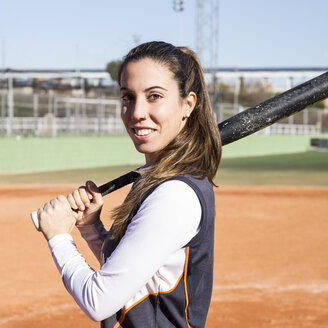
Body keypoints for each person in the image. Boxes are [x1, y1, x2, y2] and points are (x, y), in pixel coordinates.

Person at [35, 41, 222, 327]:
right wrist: (91, 229)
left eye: (154, 96)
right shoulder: (156, 179)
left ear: (188, 105)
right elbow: (131, 277)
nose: (136, 112)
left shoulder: (175, 194)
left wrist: (59, 237)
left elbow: (99, 301)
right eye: (128, 97)